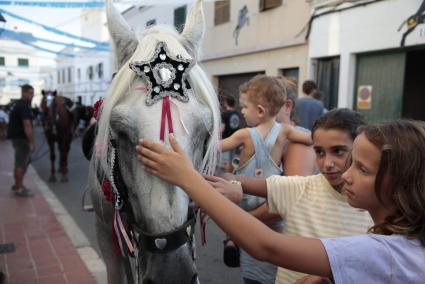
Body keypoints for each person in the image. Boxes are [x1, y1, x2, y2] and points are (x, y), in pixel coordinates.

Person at [137, 119, 425, 284]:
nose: (345, 175)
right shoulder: (406, 248)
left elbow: (267, 246)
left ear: (402, 183)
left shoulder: (385, 253)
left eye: (362, 169)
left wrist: (188, 179)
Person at [211, 109, 373, 283]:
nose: (328, 163)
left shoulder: (377, 207)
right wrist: (234, 186)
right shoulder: (300, 187)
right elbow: (233, 179)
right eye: (319, 152)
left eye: (338, 151)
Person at [219, 75, 312, 284]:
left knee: (233, 201)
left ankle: (232, 238)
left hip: (250, 201)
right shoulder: (285, 132)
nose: (242, 111)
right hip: (265, 202)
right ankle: (233, 239)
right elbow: (314, 138)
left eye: (245, 107)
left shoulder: (248, 134)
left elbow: (217, 146)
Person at [7, 84, 35, 197]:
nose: (32, 95)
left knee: (21, 162)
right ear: (24, 93)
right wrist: (31, 142)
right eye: (30, 93)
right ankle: (19, 188)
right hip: (22, 139)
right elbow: (27, 125)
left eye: (32, 93)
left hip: (16, 138)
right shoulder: (23, 106)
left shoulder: (17, 104)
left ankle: (17, 185)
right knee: (21, 163)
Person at [220, 96, 242, 172]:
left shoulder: (225, 114)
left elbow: (221, 128)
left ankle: (227, 178)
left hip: (226, 140)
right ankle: (232, 176)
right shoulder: (237, 113)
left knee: (226, 161)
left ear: (226, 103)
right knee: (232, 160)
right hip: (235, 140)